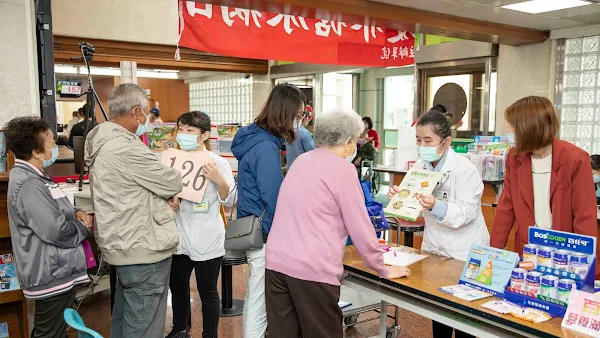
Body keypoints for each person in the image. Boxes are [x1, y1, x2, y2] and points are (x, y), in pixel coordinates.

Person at [265, 107, 409, 337]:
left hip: (276, 263)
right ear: (348, 141)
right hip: (311, 269)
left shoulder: (301, 161)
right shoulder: (343, 170)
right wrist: (381, 268)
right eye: (356, 141)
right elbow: (360, 225)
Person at [84, 83, 183, 338]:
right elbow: (171, 181)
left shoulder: (101, 143)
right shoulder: (127, 148)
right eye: (146, 114)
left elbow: (130, 192)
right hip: (143, 251)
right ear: (136, 111)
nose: (146, 120)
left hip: (122, 247)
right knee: (144, 327)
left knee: (124, 320)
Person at [387, 110, 489, 338]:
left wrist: (437, 206)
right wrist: (398, 196)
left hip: (464, 250)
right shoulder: (420, 167)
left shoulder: (465, 170)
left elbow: (467, 211)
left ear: (446, 142)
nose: (422, 145)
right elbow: (412, 206)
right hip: (435, 247)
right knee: (439, 311)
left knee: (465, 318)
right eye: (418, 140)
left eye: (428, 141)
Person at [491, 96, 599, 277]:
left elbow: (584, 216)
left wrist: (586, 270)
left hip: (565, 253)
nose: (509, 131)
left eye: (513, 126)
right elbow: (506, 206)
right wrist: (494, 251)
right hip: (528, 249)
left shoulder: (575, 159)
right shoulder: (515, 157)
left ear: (529, 127)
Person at [5, 117, 92, 338]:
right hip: (51, 272)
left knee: (54, 330)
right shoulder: (29, 184)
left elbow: (54, 212)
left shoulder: (35, 178)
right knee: (49, 333)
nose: (55, 147)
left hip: (56, 270)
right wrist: (82, 226)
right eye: (51, 143)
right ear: (35, 151)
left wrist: (75, 213)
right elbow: (56, 230)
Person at [231, 83, 305, 338]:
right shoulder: (265, 147)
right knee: (258, 295)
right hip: (263, 229)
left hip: (251, 222)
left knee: (258, 290)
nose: (298, 122)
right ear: (286, 113)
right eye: (297, 116)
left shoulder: (253, 137)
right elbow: (273, 195)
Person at [166, 111, 236, 338]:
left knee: (208, 291)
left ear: (205, 135)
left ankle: (210, 334)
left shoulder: (216, 163)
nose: (183, 134)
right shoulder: (172, 160)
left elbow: (232, 199)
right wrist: (170, 203)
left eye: (190, 131)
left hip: (207, 235)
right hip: (179, 235)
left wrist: (218, 179)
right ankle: (179, 330)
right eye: (181, 129)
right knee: (177, 287)